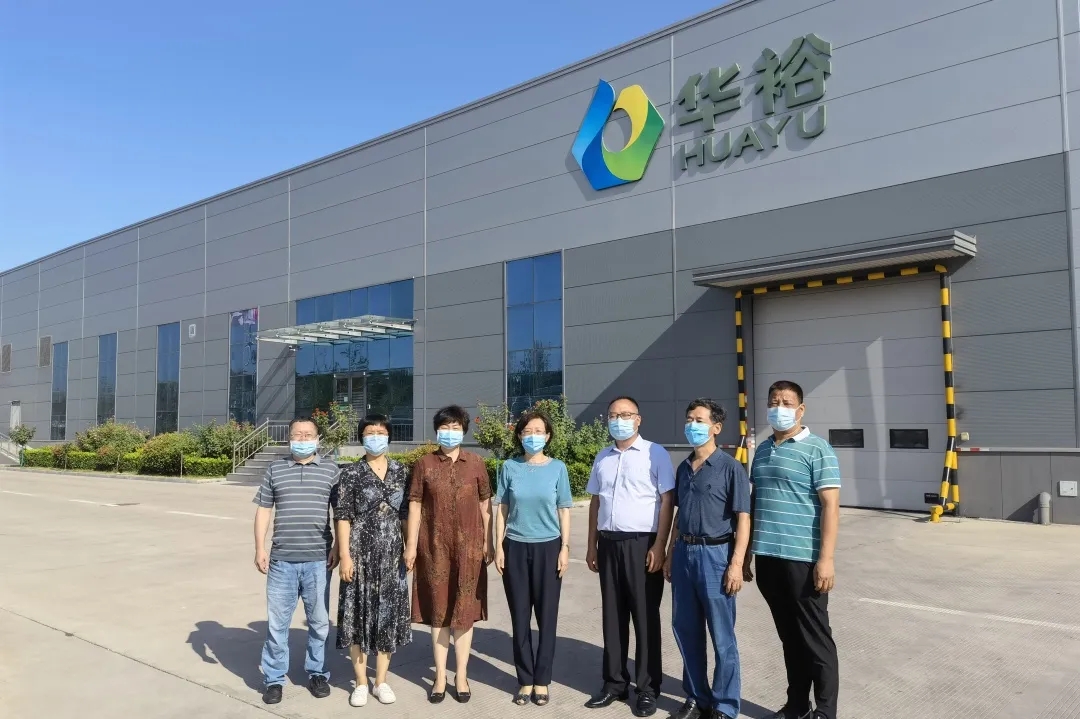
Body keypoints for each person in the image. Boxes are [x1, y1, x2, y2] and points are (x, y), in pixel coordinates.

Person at [745, 380, 841, 719]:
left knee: (815, 639)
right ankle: (797, 705)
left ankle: (825, 712)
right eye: (774, 401)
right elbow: (755, 504)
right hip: (768, 559)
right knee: (790, 638)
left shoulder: (818, 449)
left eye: (787, 402)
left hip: (803, 560)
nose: (779, 408)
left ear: (801, 410)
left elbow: (831, 506)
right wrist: (747, 553)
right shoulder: (762, 450)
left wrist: (826, 559)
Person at [584, 396, 675, 718]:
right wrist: (592, 545)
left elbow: (667, 500)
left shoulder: (655, 453)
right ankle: (614, 683)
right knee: (613, 616)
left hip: (642, 544)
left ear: (638, 419)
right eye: (613, 415)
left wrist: (660, 545)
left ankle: (647, 688)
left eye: (625, 415)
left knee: (645, 617)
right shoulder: (603, 457)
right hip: (609, 543)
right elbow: (596, 502)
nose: (618, 420)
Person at [663, 399, 751, 719]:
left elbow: (743, 518)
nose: (692, 425)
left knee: (722, 637)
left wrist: (737, 564)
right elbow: (679, 514)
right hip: (684, 553)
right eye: (689, 419)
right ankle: (696, 697)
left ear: (716, 427)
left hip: (716, 556)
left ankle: (725, 705)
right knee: (686, 630)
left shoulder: (730, 468)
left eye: (699, 420)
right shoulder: (684, 468)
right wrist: (670, 553)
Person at [404, 405, 493, 704]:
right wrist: (411, 545)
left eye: (456, 427)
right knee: (439, 612)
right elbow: (415, 505)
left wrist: (489, 542)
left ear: (464, 431)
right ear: (437, 430)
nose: (450, 432)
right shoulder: (424, 464)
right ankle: (440, 675)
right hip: (434, 549)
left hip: (469, 550)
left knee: (464, 614)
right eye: (445, 427)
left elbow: (485, 505)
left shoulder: (476, 463)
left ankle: (462, 674)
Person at [252, 417, 339, 705]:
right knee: (277, 625)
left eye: (308, 434)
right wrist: (260, 548)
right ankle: (274, 679)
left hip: (319, 561)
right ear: (289, 438)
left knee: (319, 623)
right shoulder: (275, 469)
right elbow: (264, 510)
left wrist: (339, 547)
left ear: (318, 438)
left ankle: (317, 673)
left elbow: (341, 514)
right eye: (297, 434)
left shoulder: (331, 470)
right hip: (282, 561)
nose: (303, 439)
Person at [492, 409, 574, 708]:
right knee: (520, 617)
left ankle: (542, 680)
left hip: (548, 548)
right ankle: (525, 680)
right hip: (515, 547)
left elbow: (564, 509)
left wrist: (565, 548)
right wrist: (498, 546)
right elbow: (502, 509)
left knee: (547, 617)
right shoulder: (509, 467)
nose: (533, 436)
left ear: (548, 436)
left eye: (539, 431)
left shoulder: (558, 468)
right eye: (527, 431)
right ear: (519, 435)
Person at [334, 415, 413, 707]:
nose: (375, 437)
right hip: (360, 555)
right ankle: (360, 682)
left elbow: (405, 515)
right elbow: (343, 516)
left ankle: (381, 681)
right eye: (370, 432)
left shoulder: (401, 471)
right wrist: (345, 556)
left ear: (389, 436)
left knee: (387, 616)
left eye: (381, 432)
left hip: (392, 556)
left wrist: (410, 548)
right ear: (361, 438)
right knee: (356, 615)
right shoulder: (351, 473)